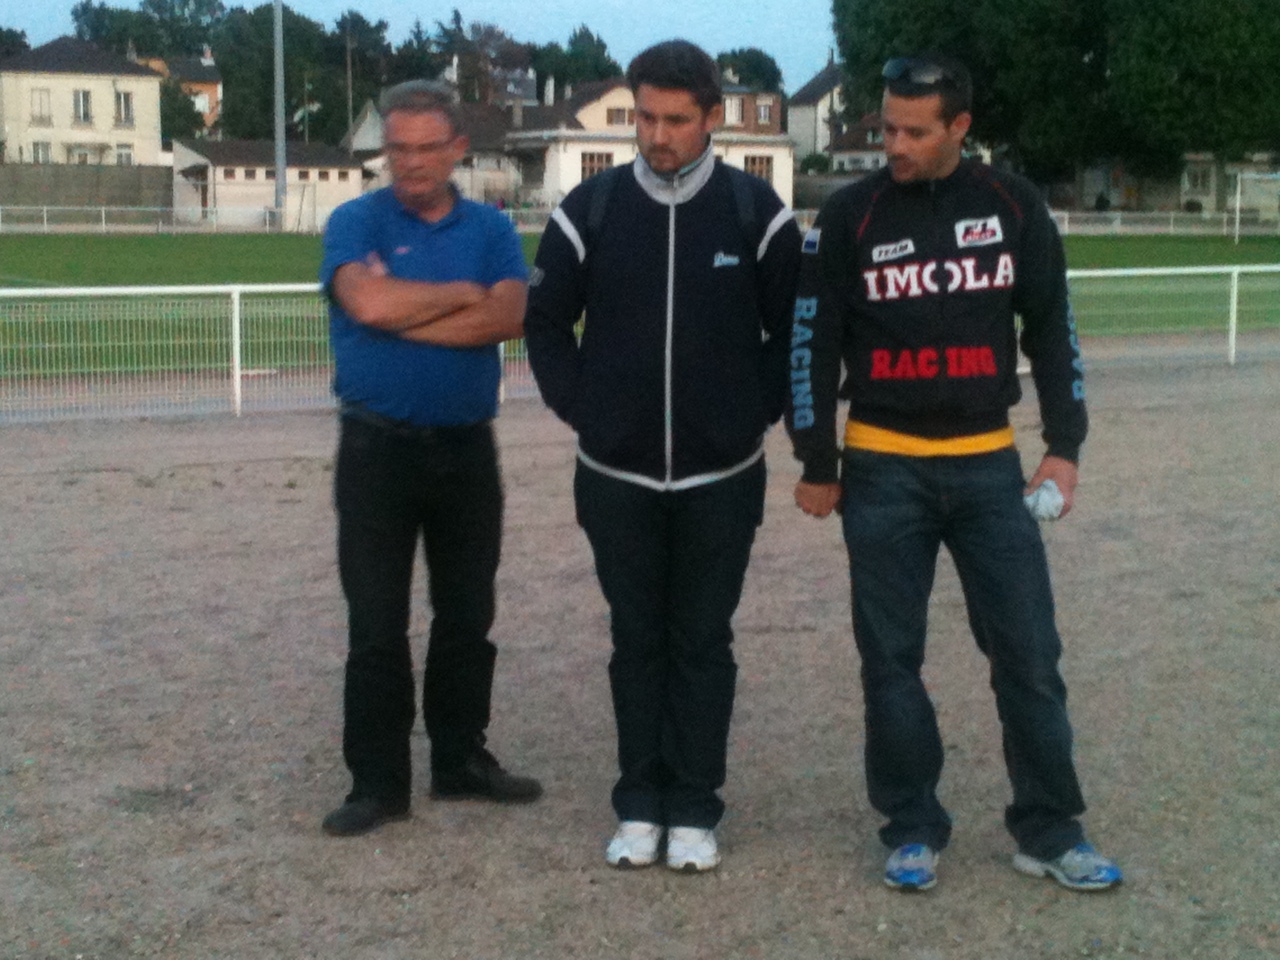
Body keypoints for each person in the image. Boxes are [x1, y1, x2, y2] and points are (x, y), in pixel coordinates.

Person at [786, 54, 1122, 892]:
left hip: (988, 471)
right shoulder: (850, 214)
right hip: (880, 471)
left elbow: (1053, 328)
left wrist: (1066, 445)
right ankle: (911, 826)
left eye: (914, 131)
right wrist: (816, 458)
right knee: (891, 663)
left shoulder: (1013, 204)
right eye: (887, 127)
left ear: (960, 128)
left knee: (1030, 656)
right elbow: (811, 341)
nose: (893, 145)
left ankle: (1049, 829)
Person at [524, 40, 801, 872]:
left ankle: (695, 808)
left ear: (712, 118)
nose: (657, 135)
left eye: (676, 120)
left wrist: (749, 417)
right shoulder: (591, 209)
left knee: (703, 641)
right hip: (616, 475)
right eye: (645, 117)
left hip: (723, 476)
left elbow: (794, 336)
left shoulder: (756, 213)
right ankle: (639, 803)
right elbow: (545, 325)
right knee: (636, 640)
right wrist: (587, 412)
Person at [318, 80, 541, 837]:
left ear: (457, 149)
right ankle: (377, 783)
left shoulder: (492, 228)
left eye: (426, 148)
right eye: (397, 148)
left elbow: (509, 315)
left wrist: (405, 310)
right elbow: (366, 304)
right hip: (375, 450)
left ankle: (460, 758)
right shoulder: (355, 220)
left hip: (467, 450)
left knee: (468, 614)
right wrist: (462, 293)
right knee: (376, 622)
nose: (410, 163)